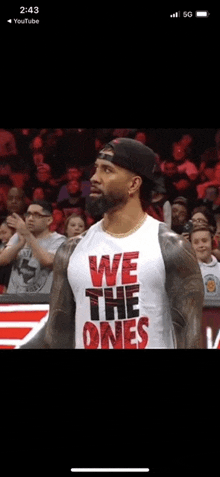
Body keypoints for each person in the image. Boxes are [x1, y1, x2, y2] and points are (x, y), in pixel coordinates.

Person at [19, 138, 204, 349]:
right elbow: (56, 335)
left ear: (133, 184)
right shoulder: (71, 250)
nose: (94, 178)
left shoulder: (171, 248)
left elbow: (190, 337)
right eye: (96, 169)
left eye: (107, 170)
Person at [0, 200, 65, 294]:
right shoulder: (18, 236)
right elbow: (3, 260)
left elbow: (48, 261)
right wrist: (20, 244)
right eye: (28, 214)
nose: (30, 218)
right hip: (14, 298)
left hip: (41, 302)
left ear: (49, 220)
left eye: (36, 215)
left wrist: (27, 235)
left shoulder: (59, 240)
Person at [190, 223, 220, 307]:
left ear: (212, 243)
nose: (201, 245)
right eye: (196, 242)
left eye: (204, 241)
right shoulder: (185, 273)